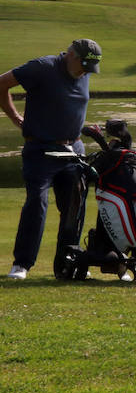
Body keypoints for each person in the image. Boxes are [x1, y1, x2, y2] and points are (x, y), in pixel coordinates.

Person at [1, 39, 102, 280]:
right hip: (41, 150)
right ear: (71, 55)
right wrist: (15, 117)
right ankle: (22, 265)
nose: (86, 71)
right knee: (37, 203)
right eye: (84, 65)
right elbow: (1, 84)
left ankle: (67, 265)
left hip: (73, 150)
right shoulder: (42, 68)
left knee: (74, 207)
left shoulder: (83, 71)